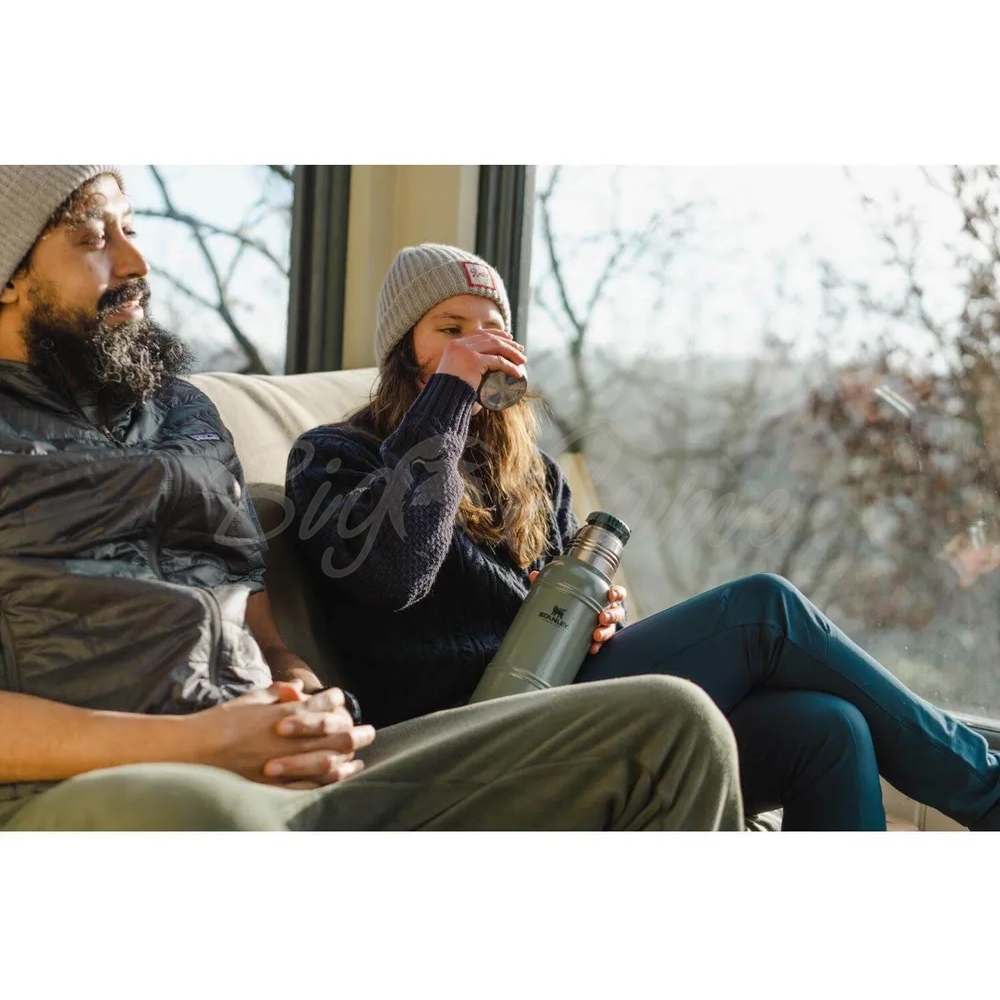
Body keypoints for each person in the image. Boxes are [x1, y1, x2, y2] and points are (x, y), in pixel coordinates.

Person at [0, 166, 744, 833]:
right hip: (108, 779)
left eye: (131, 230)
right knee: (213, 817)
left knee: (676, 724)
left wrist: (298, 688)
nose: (136, 262)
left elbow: (249, 614)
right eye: (92, 237)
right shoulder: (337, 455)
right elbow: (391, 573)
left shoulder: (185, 415)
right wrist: (202, 742)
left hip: (284, 760)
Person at [286, 242, 1000, 832]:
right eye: (450, 329)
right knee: (765, 609)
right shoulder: (333, 456)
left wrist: (599, 622)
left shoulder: (531, 476)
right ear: (403, 349)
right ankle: (989, 793)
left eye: (490, 329)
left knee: (829, 727)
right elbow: (394, 573)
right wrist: (447, 398)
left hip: (565, 706)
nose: (477, 345)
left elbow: (557, 610)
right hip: (465, 737)